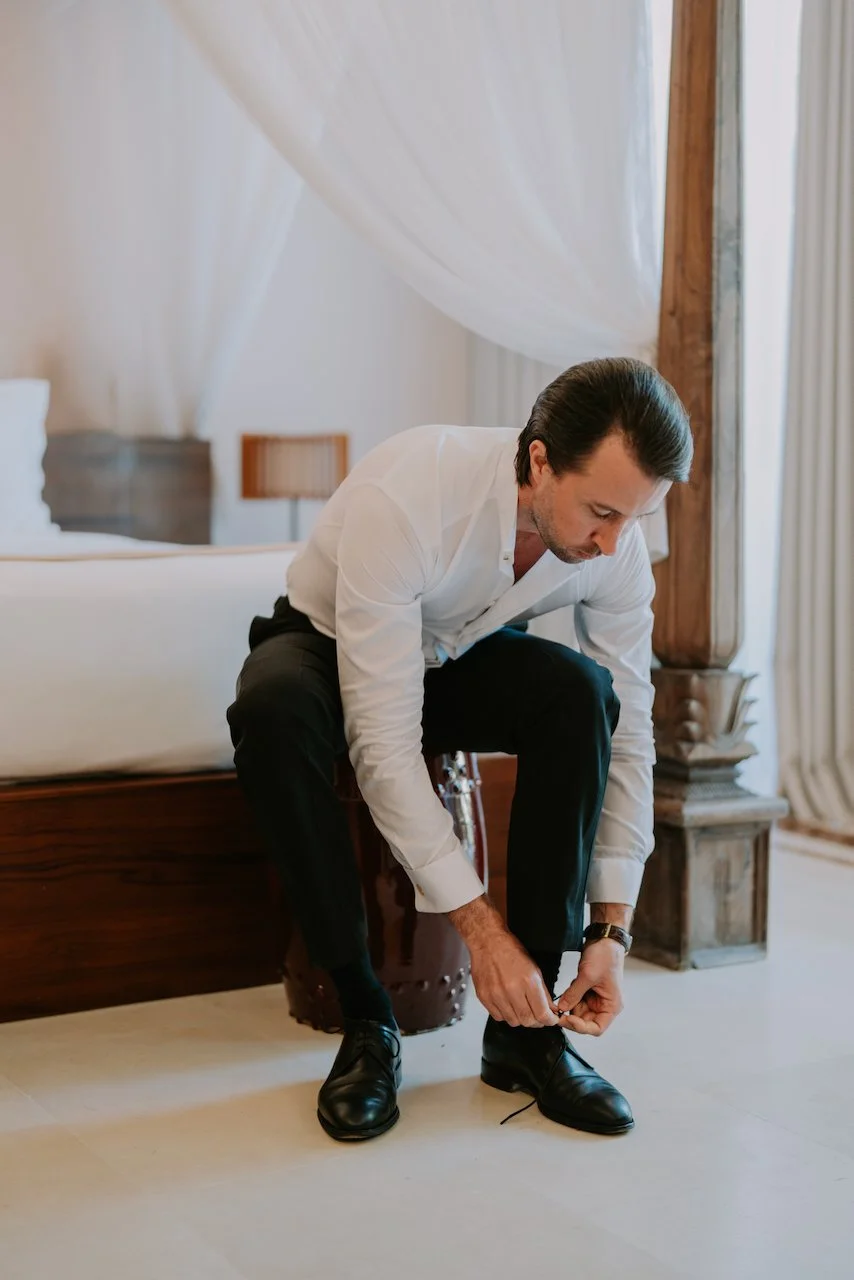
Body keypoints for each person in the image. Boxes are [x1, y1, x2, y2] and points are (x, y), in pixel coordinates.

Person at [227, 356, 692, 1142]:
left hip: (450, 655)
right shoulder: (409, 496)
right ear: (539, 460)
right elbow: (381, 741)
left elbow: (633, 731)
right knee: (271, 712)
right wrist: (482, 932)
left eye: (636, 519)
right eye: (601, 513)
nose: (616, 545)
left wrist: (610, 931)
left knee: (582, 696)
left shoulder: (614, 546)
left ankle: (526, 1031)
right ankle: (367, 1022)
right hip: (326, 642)